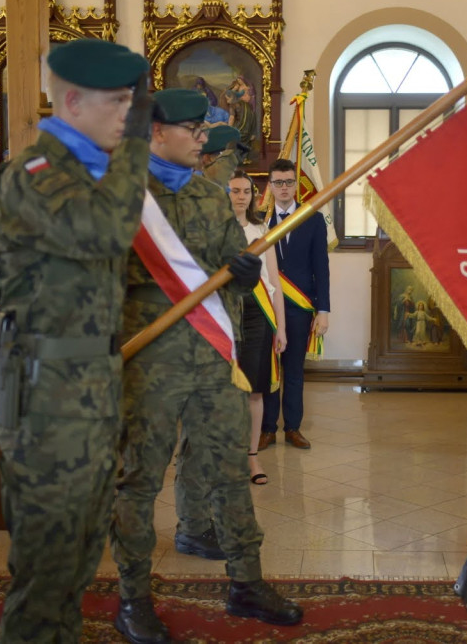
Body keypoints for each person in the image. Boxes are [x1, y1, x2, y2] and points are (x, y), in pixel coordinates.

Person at [0, 38, 153, 642]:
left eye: (134, 102)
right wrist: (137, 145)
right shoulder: (34, 175)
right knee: (45, 575)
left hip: (90, 396)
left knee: (77, 564)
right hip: (47, 404)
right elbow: (103, 232)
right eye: (120, 102)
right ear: (72, 101)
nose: (130, 116)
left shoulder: (87, 177)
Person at [110, 88, 301, 643]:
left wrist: (241, 274)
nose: (202, 139)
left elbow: (225, 273)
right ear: (153, 133)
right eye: (192, 130)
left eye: (203, 130)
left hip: (211, 360)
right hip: (145, 365)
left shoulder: (212, 196)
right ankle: (133, 598)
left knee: (229, 471)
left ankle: (245, 582)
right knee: (139, 483)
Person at [259, 158, 330, 450]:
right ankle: (266, 428)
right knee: (267, 368)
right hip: (266, 306)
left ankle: (292, 428)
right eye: (278, 182)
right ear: (270, 186)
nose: (284, 187)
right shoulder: (259, 222)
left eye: (289, 182)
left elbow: (321, 267)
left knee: (294, 370)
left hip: (300, 307)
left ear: (296, 184)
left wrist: (323, 310)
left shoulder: (312, 219)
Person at [228, 169, 287, 485]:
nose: (240, 196)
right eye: (235, 191)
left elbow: (274, 283)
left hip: (257, 315)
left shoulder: (262, 230)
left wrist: (282, 328)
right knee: (224, 389)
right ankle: (226, 455)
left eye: (246, 191)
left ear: (253, 195)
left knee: (253, 390)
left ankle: (251, 458)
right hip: (224, 313)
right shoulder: (216, 229)